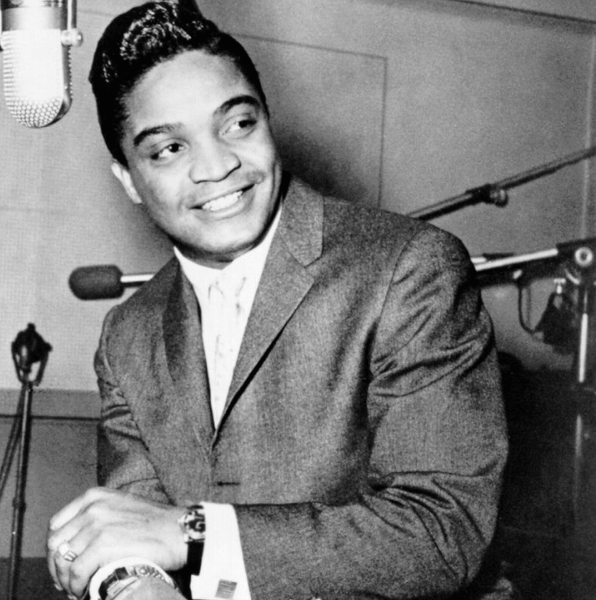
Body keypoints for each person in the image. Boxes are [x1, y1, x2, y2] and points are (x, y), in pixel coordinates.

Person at [47, 3, 512, 599]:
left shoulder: (408, 269)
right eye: (168, 149)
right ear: (129, 180)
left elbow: (442, 533)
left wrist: (192, 535)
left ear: (268, 121)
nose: (218, 166)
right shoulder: (127, 333)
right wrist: (126, 577)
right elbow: (134, 521)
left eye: (237, 124)